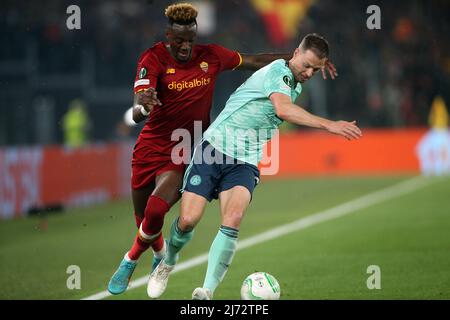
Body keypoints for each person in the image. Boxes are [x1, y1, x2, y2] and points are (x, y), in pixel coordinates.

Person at [107, 3, 337, 295]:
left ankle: (133, 262)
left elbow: (253, 59)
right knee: (149, 220)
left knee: (168, 211)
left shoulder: (211, 56)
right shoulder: (152, 58)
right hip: (153, 146)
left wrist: (302, 62)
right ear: (168, 35)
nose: (186, 47)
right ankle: (159, 255)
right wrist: (143, 107)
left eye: (191, 39)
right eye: (179, 41)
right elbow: (139, 103)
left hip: (188, 148)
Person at [147, 33, 362, 300]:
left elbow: (295, 71)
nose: (309, 73)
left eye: (315, 69)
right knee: (189, 220)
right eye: (306, 65)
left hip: (245, 161)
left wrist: (318, 62)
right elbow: (283, 110)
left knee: (233, 219)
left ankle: (206, 291)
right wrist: (329, 124)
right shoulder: (278, 72)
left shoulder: (293, 77)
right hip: (214, 148)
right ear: (295, 53)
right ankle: (168, 261)